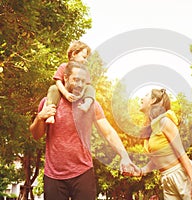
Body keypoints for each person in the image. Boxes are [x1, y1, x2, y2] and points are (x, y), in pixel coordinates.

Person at [30, 61, 137, 200]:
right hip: (54, 175)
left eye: (83, 81)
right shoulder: (49, 102)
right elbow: (36, 135)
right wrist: (39, 118)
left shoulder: (91, 104)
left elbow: (109, 132)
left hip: (83, 172)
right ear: (66, 78)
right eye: (75, 80)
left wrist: (124, 156)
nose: (80, 84)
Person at [130, 88, 192, 200]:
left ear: (153, 100)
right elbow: (158, 160)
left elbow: (181, 153)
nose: (141, 98)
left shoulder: (165, 121)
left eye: (146, 95)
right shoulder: (152, 128)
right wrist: (142, 171)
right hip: (166, 178)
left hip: (182, 174)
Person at [45, 40, 95, 124]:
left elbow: (86, 86)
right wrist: (66, 94)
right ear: (74, 54)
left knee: (90, 88)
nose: (85, 60)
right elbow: (58, 81)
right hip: (64, 93)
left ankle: (86, 104)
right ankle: (50, 115)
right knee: (53, 88)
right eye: (84, 57)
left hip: (79, 94)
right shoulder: (64, 66)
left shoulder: (84, 71)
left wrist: (80, 95)